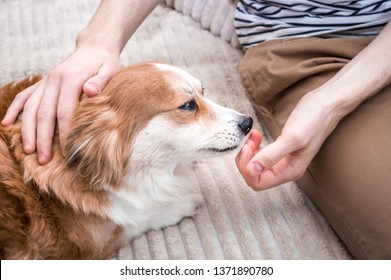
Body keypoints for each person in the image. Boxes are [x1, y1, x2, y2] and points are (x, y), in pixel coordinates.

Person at [2, 0, 391, 259]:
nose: (236, 119)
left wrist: (331, 102)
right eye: (190, 106)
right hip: (304, 37)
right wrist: (97, 38)